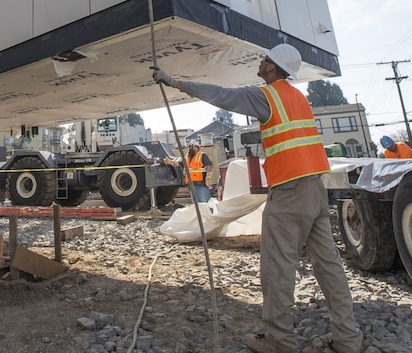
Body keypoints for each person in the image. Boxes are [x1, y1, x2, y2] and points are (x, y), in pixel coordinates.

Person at [153, 44, 363, 353]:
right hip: (315, 189)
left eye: (265, 59)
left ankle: (279, 339)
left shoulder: (267, 96)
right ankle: (348, 338)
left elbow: (222, 95)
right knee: (328, 266)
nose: (260, 62)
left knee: (277, 268)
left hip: (289, 193)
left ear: (273, 68)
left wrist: (176, 83)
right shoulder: (298, 98)